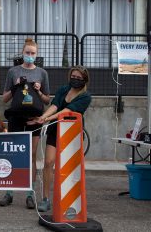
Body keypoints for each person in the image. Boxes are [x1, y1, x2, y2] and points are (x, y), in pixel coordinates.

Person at [27, 65, 91, 212]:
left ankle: (70, 200)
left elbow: (66, 111)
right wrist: (43, 117)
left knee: (69, 167)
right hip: (55, 130)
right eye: (73, 77)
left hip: (72, 133)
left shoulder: (86, 97)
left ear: (84, 80)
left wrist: (47, 118)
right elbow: (55, 105)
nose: (75, 80)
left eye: (78, 78)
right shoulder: (63, 89)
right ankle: (45, 199)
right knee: (48, 162)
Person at [0, 38, 50, 209]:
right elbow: (4, 98)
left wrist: (38, 90)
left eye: (33, 53)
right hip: (15, 117)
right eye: (27, 53)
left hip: (34, 118)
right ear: (22, 53)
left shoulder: (42, 73)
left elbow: (47, 100)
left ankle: (30, 193)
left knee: (32, 155)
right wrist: (15, 87)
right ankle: (9, 192)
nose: (30, 56)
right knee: (13, 154)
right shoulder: (13, 71)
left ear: (37, 55)